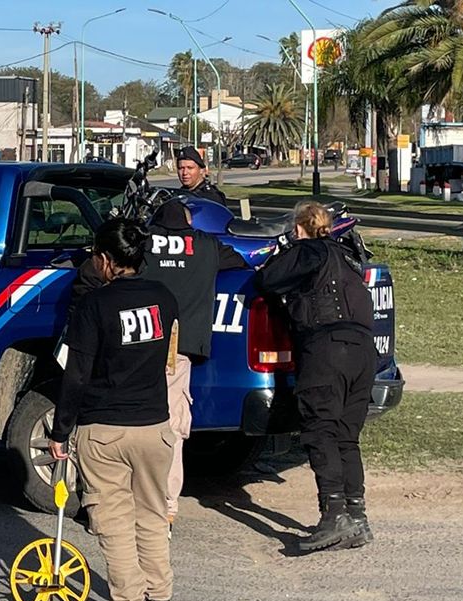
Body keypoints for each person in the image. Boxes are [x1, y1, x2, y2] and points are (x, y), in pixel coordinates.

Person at [49, 218, 180, 601]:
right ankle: (159, 599)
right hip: (155, 425)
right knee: (153, 514)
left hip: (104, 427)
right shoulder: (164, 299)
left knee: (114, 522)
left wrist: (61, 429)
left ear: (106, 260)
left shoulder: (94, 306)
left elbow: (77, 374)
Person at [252, 201, 376, 552]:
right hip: (363, 351)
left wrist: (283, 252)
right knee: (346, 437)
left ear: (300, 228)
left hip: (327, 347)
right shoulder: (349, 258)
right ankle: (356, 515)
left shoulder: (308, 251)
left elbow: (266, 279)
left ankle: (333, 515)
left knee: (320, 431)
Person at [142, 199, 248, 531]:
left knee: (132, 424)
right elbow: (238, 260)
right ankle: (167, 507)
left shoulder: (143, 242)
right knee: (172, 428)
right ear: (190, 224)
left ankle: (134, 501)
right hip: (179, 350)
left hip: (139, 344)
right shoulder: (205, 245)